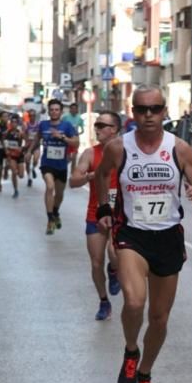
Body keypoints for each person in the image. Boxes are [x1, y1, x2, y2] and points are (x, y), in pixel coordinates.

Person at [93, 87, 192, 383]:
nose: (148, 115)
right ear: (133, 112)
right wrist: (105, 209)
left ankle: (144, 375)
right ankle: (131, 349)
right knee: (134, 301)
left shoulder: (181, 149)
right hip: (132, 234)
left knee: (159, 318)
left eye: (155, 109)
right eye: (142, 109)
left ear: (164, 112)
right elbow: (101, 176)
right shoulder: (119, 148)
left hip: (168, 236)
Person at [70, 111, 122, 320]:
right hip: (96, 212)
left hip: (122, 212)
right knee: (95, 262)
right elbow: (73, 181)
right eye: (96, 125)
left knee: (114, 250)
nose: (97, 128)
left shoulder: (127, 152)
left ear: (114, 130)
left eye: (102, 125)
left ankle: (114, 270)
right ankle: (103, 301)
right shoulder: (91, 154)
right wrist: (91, 175)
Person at [35, 99, 79, 235]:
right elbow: (36, 140)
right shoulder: (43, 125)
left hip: (61, 165)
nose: (54, 112)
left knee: (59, 195)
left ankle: (55, 212)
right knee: (49, 187)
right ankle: (50, 220)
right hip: (47, 164)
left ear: (60, 111)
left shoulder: (67, 126)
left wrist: (62, 137)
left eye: (57, 109)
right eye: (52, 109)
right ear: (48, 111)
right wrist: (30, 151)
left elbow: (76, 143)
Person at [3, 115, 26, 198]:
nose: (14, 124)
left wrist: (22, 148)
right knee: (14, 172)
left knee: (21, 175)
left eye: (15, 122)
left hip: (19, 155)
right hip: (11, 155)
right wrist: (7, 151)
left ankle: (6, 167)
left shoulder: (20, 133)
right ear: (10, 123)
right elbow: (5, 144)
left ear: (17, 123)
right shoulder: (7, 133)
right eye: (12, 122)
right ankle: (16, 190)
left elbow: (25, 142)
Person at [63, 102, 85, 171]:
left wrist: (78, 133)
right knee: (68, 157)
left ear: (77, 110)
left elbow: (82, 130)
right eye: (72, 109)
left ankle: (73, 174)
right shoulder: (65, 117)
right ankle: (63, 168)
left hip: (75, 139)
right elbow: (61, 127)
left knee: (74, 158)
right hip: (67, 139)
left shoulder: (79, 118)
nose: (74, 110)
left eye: (75, 109)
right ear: (70, 109)